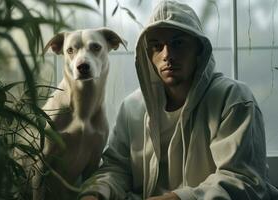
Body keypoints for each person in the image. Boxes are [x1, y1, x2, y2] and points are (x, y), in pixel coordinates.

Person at [78, 1, 278, 199]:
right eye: (157, 46)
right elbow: (116, 169)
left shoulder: (233, 99)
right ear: (147, 54)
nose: (167, 55)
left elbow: (243, 181)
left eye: (178, 43)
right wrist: (95, 194)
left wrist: (176, 198)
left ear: (199, 49)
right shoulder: (132, 107)